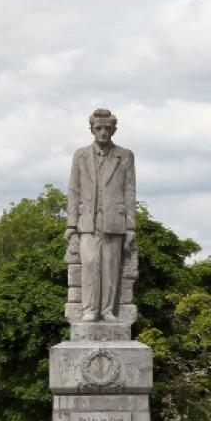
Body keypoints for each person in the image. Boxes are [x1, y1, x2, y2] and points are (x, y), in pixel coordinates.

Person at [66, 108, 136, 322]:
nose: (103, 132)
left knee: (110, 267)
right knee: (89, 265)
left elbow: (130, 191)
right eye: (99, 128)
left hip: (115, 221)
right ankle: (89, 309)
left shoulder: (125, 155)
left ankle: (107, 310)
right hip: (87, 221)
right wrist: (71, 225)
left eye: (107, 128)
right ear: (92, 130)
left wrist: (131, 226)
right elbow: (73, 190)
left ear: (114, 130)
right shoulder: (81, 155)